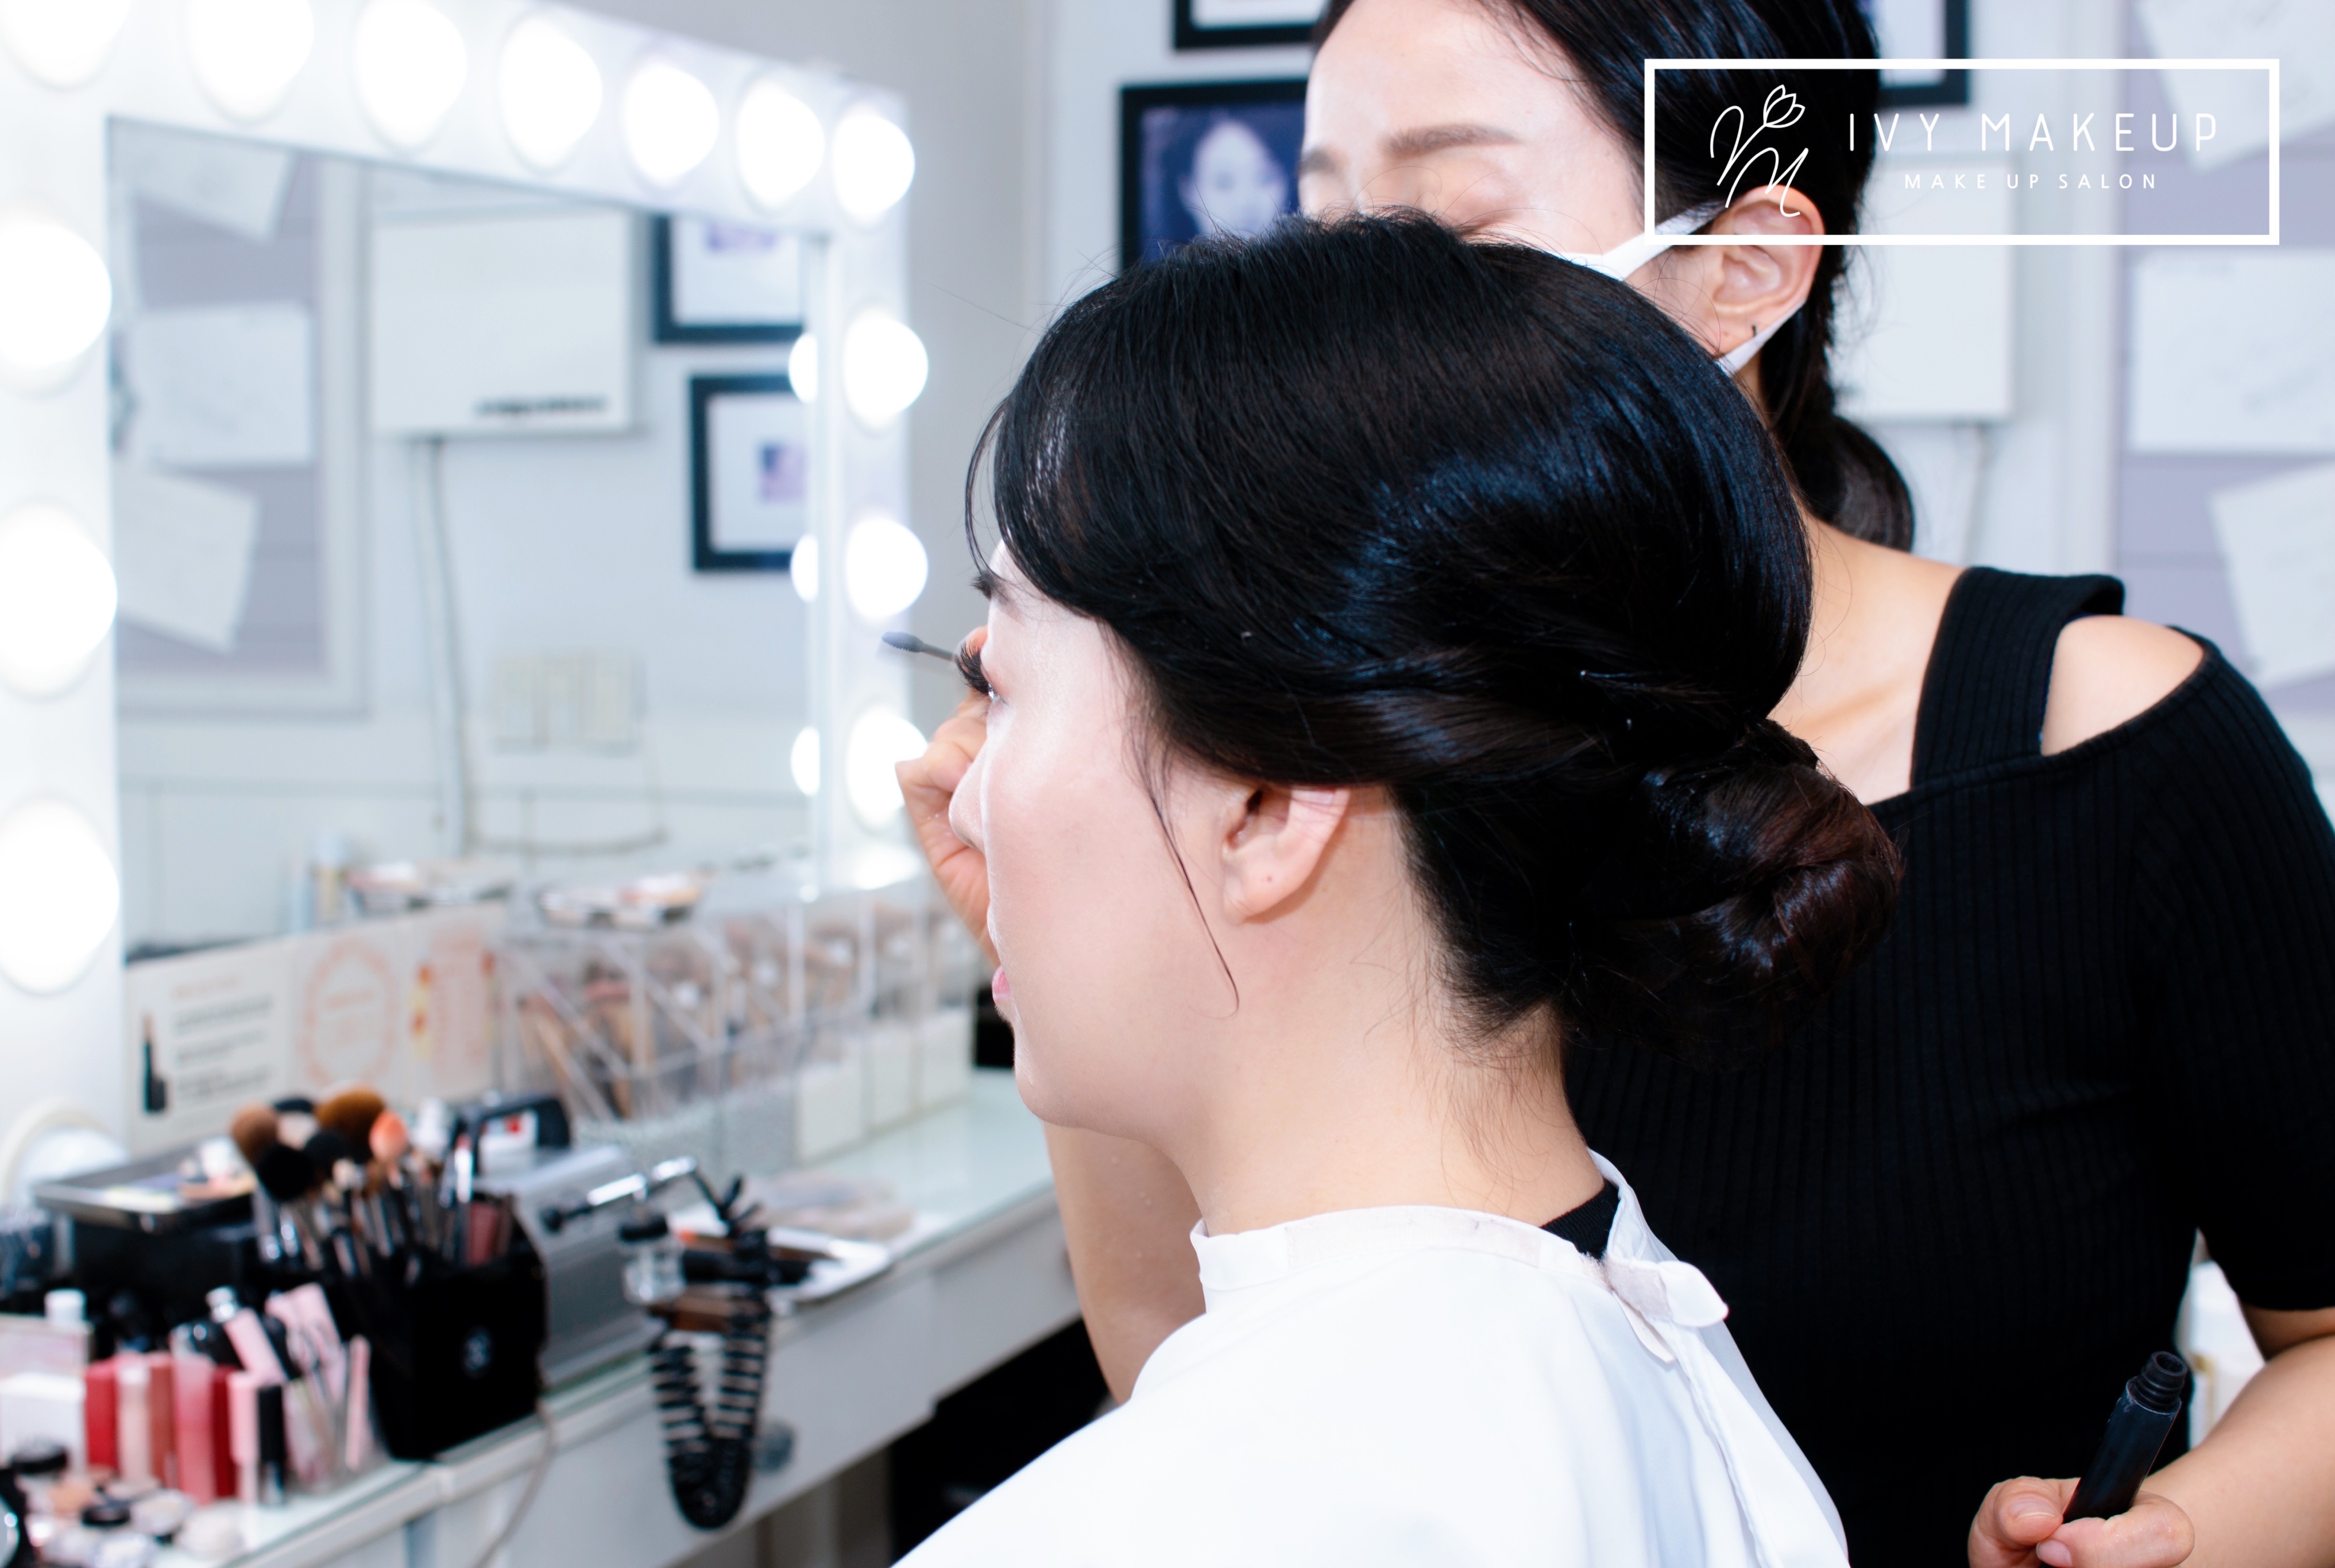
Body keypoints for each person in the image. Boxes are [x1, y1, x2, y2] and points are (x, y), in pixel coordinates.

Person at [902, 2, 2335, 1565]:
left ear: (1746, 270)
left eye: (1449, 236)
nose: (1356, 307)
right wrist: (1073, 914)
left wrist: (2174, 1535)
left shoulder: (2113, 742)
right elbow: (1223, 1377)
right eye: (1324, 232)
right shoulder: (1354, 745)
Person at [900, 210, 1897, 1567]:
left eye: (999, 685)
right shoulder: (1630, 1329)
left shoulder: (1225, 1505)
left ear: (1265, 799)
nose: (958, 789)